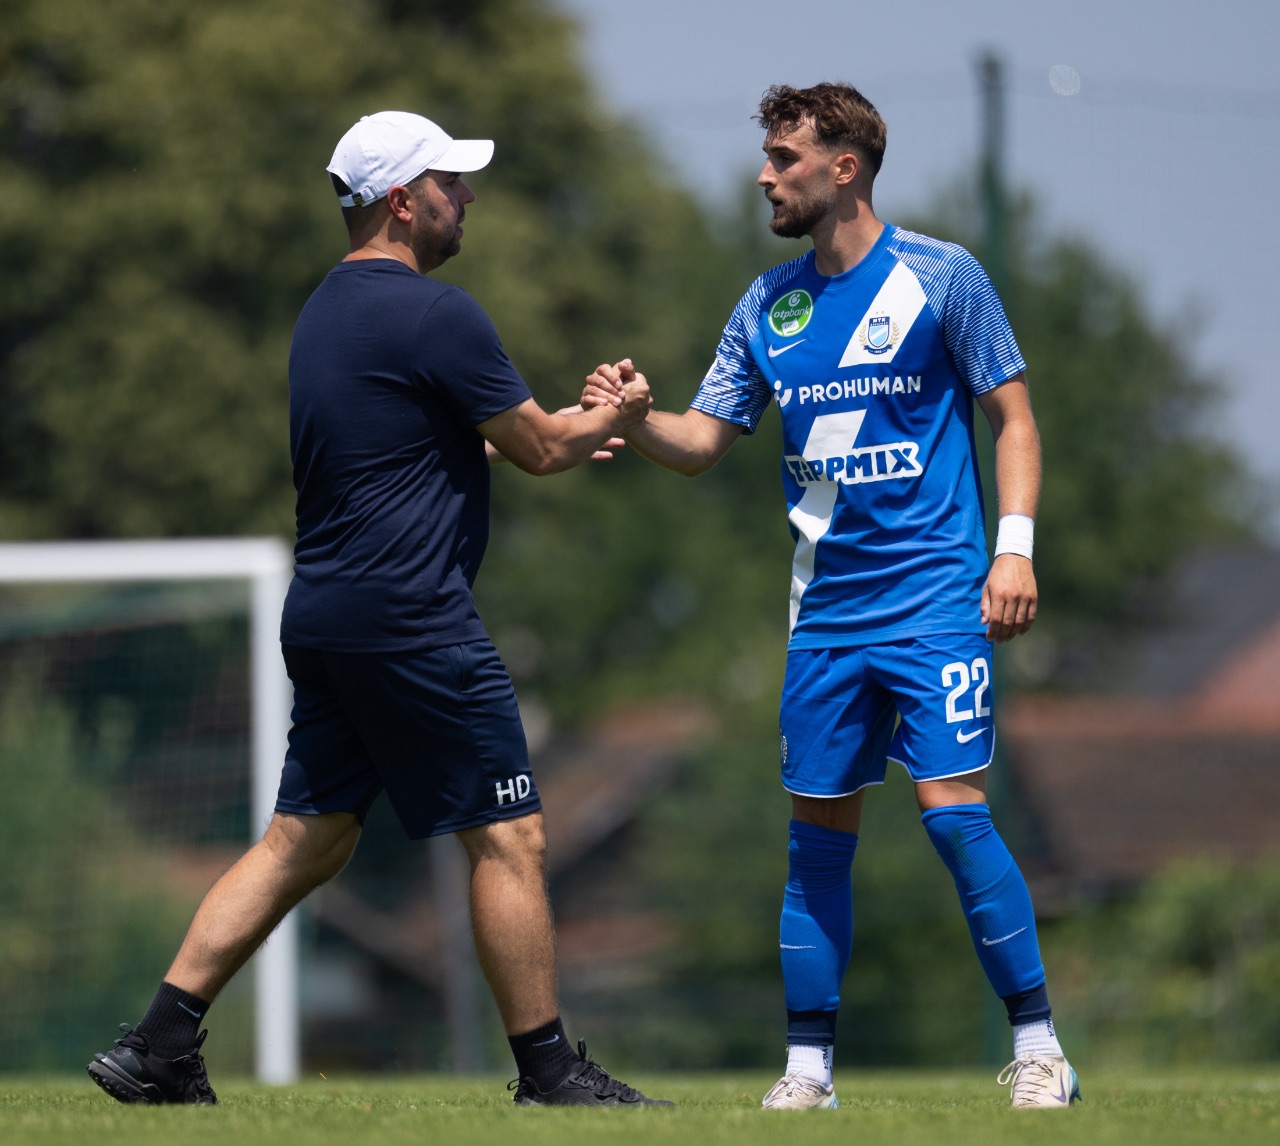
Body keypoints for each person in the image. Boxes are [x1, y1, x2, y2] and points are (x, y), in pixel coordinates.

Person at [88, 110, 669, 1108]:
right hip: (414, 620)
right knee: (511, 836)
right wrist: (616, 412)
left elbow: (415, 446)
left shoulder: (323, 312)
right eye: (449, 182)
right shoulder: (440, 314)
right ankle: (549, 1071)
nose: (466, 197)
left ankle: (157, 1045)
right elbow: (538, 448)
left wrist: (558, 429)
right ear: (402, 200)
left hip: (326, 617)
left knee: (306, 839)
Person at [584, 83, 1078, 1110]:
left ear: (842, 167)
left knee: (952, 818)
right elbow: (700, 443)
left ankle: (1040, 1051)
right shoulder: (767, 303)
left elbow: (1015, 421)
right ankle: (806, 1072)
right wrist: (634, 419)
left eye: (784, 158)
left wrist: (1014, 551)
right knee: (815, 844)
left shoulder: (943, 276)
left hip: (935, 598)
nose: (764, 176)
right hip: (824, 620)